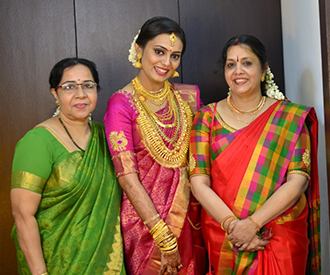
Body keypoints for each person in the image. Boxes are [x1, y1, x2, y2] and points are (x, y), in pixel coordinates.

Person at [189, 35, 321, 274]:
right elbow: (198, 183)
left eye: (247, 63)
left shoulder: (290, 118)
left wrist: (253, 224)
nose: (238, 71)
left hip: (278, 235)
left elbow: (298, 180)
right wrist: (234, 227)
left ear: (263, 70)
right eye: (231, 64)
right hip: (227, 238)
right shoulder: (206, 118)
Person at [104, 16, 205, 275]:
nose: (166, 63)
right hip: (145, 226)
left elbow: (206, 154)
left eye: (175, 56)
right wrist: (163, 236)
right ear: (139, 50)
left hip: (190, 218)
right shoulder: (121, 104)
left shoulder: (188, 98)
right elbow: (127, 177)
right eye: (159, 52)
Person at [10, 58, 126, 275]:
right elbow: (22, 214)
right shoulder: (38, 141)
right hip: (55, 265)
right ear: (55, 93)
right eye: (69, 87)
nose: (81, 94)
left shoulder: (109, 138)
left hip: (106, 263)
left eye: (88, 86)